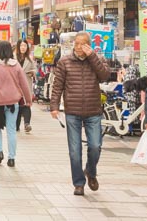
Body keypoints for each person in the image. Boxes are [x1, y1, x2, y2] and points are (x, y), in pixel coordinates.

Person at [49, 31, 110, 196]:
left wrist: (92, 57)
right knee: (74, 151)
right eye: (76, 43)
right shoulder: (65, 62)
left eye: (82, 43)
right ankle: (79, 183)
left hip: (93, 111)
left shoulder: (97, 59)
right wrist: (54, 106)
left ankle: (90, 171)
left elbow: (105, 76)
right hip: (72, 112)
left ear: (88, 44)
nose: (78, 47)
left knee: (95, 146)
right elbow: (57, 85)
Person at [0, 41, 32, 167]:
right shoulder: (16, 65)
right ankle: (11, 158)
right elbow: (24, 84)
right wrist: (28, 100)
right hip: (12, 102)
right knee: (11, 130)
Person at [15, 39, 37, 133]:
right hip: (15, 85)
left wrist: (33, 73)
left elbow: (34, 69)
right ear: (18, 47)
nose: (23, 47)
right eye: (21, 46)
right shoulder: (13, 58)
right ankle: (16, 125)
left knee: (27, 104)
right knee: (18, 106)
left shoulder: (30, 59)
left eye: (24, 46)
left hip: (26, 84)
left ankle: (27, 124)